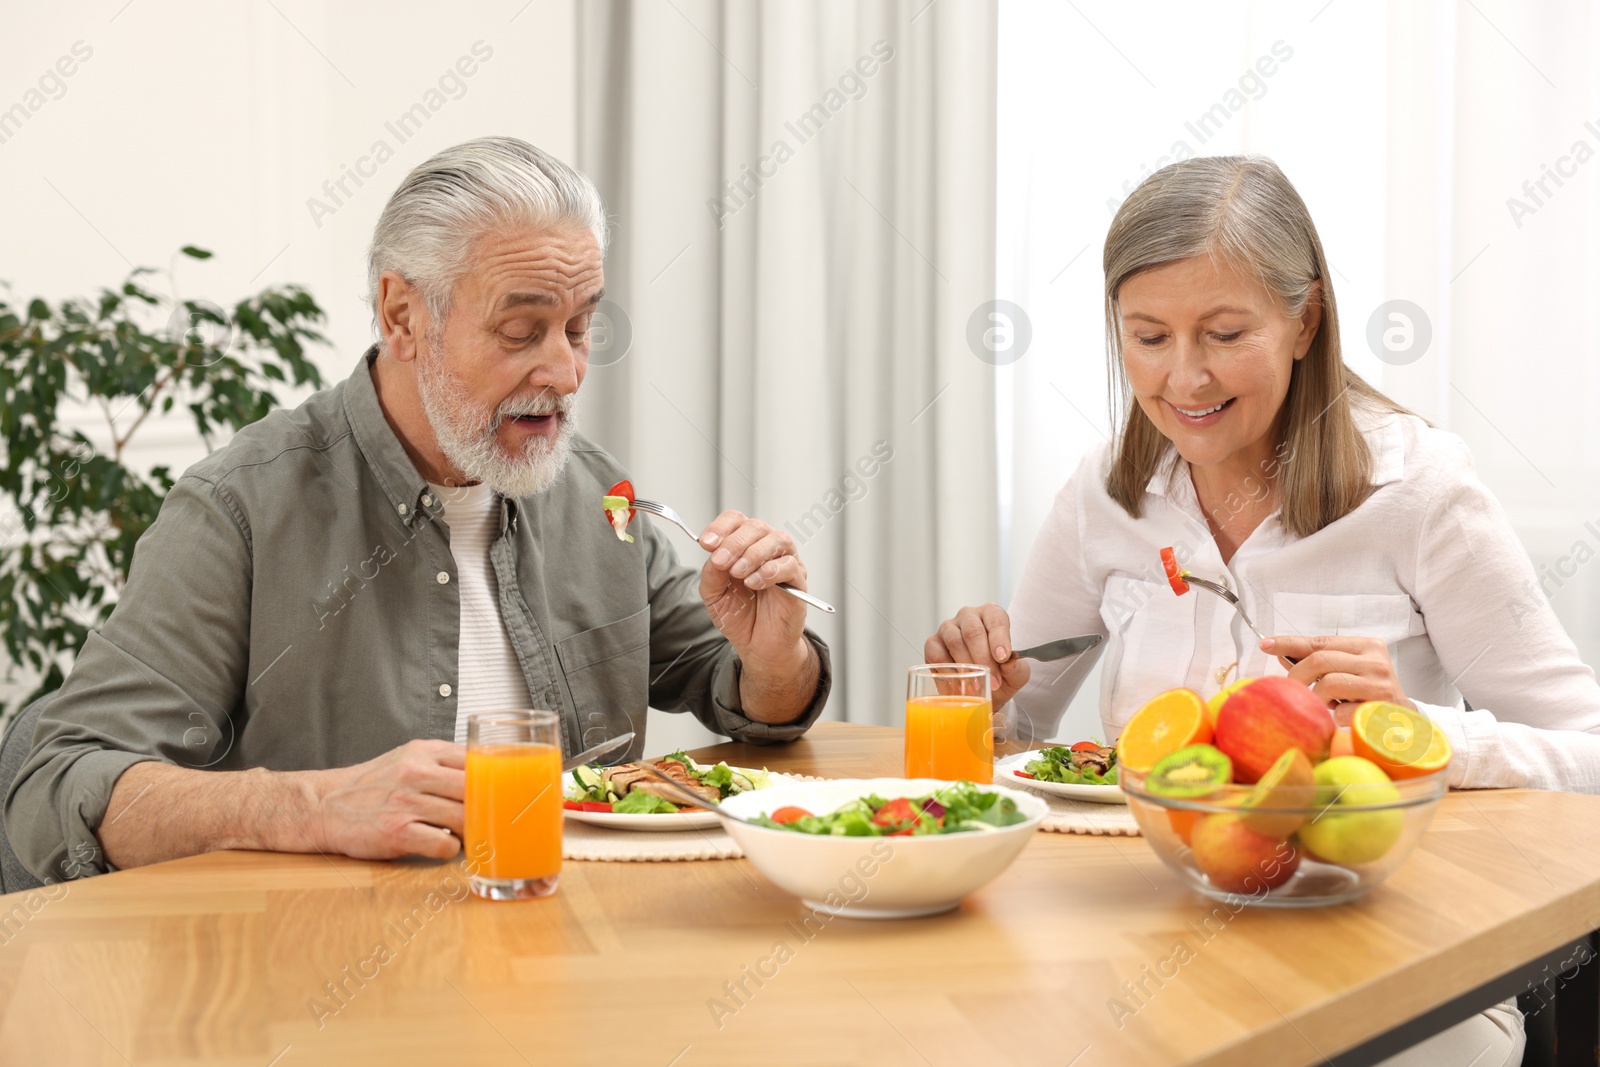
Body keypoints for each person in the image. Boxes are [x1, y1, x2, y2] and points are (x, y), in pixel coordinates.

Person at [5, 137, 830, 883]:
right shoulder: (240, 509)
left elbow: (739, 695)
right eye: (522, 329)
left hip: (568, 957)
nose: (568, 372)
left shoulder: (596, 493)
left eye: (579, 328)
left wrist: (773, 656)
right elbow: (55, 784)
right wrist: (310, 807)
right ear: (403, 315)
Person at [928, 156, 1600, 1067]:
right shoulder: (1106, 493)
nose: (1185, 377)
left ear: (1304, 320)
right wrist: (973, 682)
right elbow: (1019, 731)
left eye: (1224, 332)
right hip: (1147, 938)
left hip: (1387, 947)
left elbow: (1587, 752)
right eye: (1149, 336)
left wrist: (1414, 729)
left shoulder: (1419, 488)